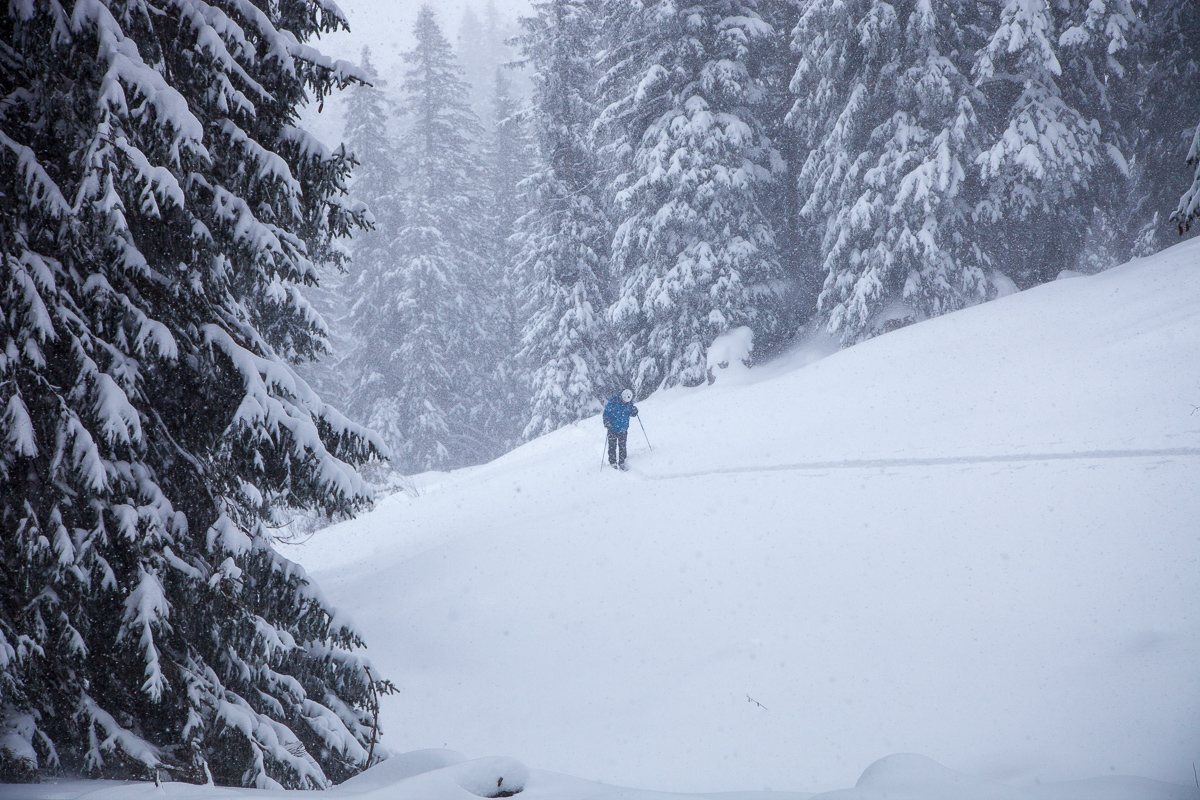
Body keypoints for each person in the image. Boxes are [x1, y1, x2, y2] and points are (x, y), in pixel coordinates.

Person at [602, 389, 638, 470]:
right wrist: (606, 421)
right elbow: (606, 413)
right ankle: (612, 462)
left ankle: (622, 462)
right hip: (612, 428)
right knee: (612, 446)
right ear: (621, 397)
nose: (624, 402)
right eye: (623, 400)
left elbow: (631, 413)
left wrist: (634, 412)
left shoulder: (629, 403)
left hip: (623, 428)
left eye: (626, 401)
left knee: (622, 446)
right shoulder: (614, 401)